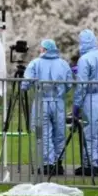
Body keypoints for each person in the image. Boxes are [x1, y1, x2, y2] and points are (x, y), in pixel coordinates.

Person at [21, 39, 73, 176]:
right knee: (59, 133)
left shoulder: (35, 63)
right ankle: (58, 163)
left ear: (44, 49)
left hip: (41, 102)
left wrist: (25, 86)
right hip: (58, 102)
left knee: (44, 134)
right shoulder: (63, 64)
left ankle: (47, 164)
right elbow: (69, 84)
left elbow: (25, 84)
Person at [72, 29, 98, 177]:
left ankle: (90, 165)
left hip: (91, 97)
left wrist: (76, 106)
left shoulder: (85, 59)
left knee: (90, 133)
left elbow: (82, 85)